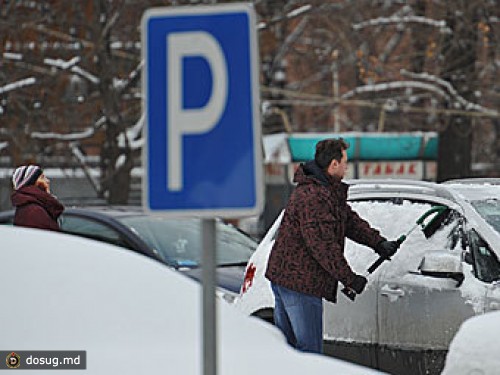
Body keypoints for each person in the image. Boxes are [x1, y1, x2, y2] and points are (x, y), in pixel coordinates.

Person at [265, 138, 400, 354]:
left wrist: (378, 243)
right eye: (345, 162)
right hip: (299, 283)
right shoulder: (313, 197)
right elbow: (324, 247)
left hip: (290, 278)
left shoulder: (325, 190)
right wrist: (349, 279)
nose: (347, 167)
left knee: (291, 353)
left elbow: (349, 221)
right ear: (334, 164)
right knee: (309, 352)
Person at [11, 165, 64, 231]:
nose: (47, 181)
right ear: (32, 183)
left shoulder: (30, 207)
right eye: (42, 177)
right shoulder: (34, 212)